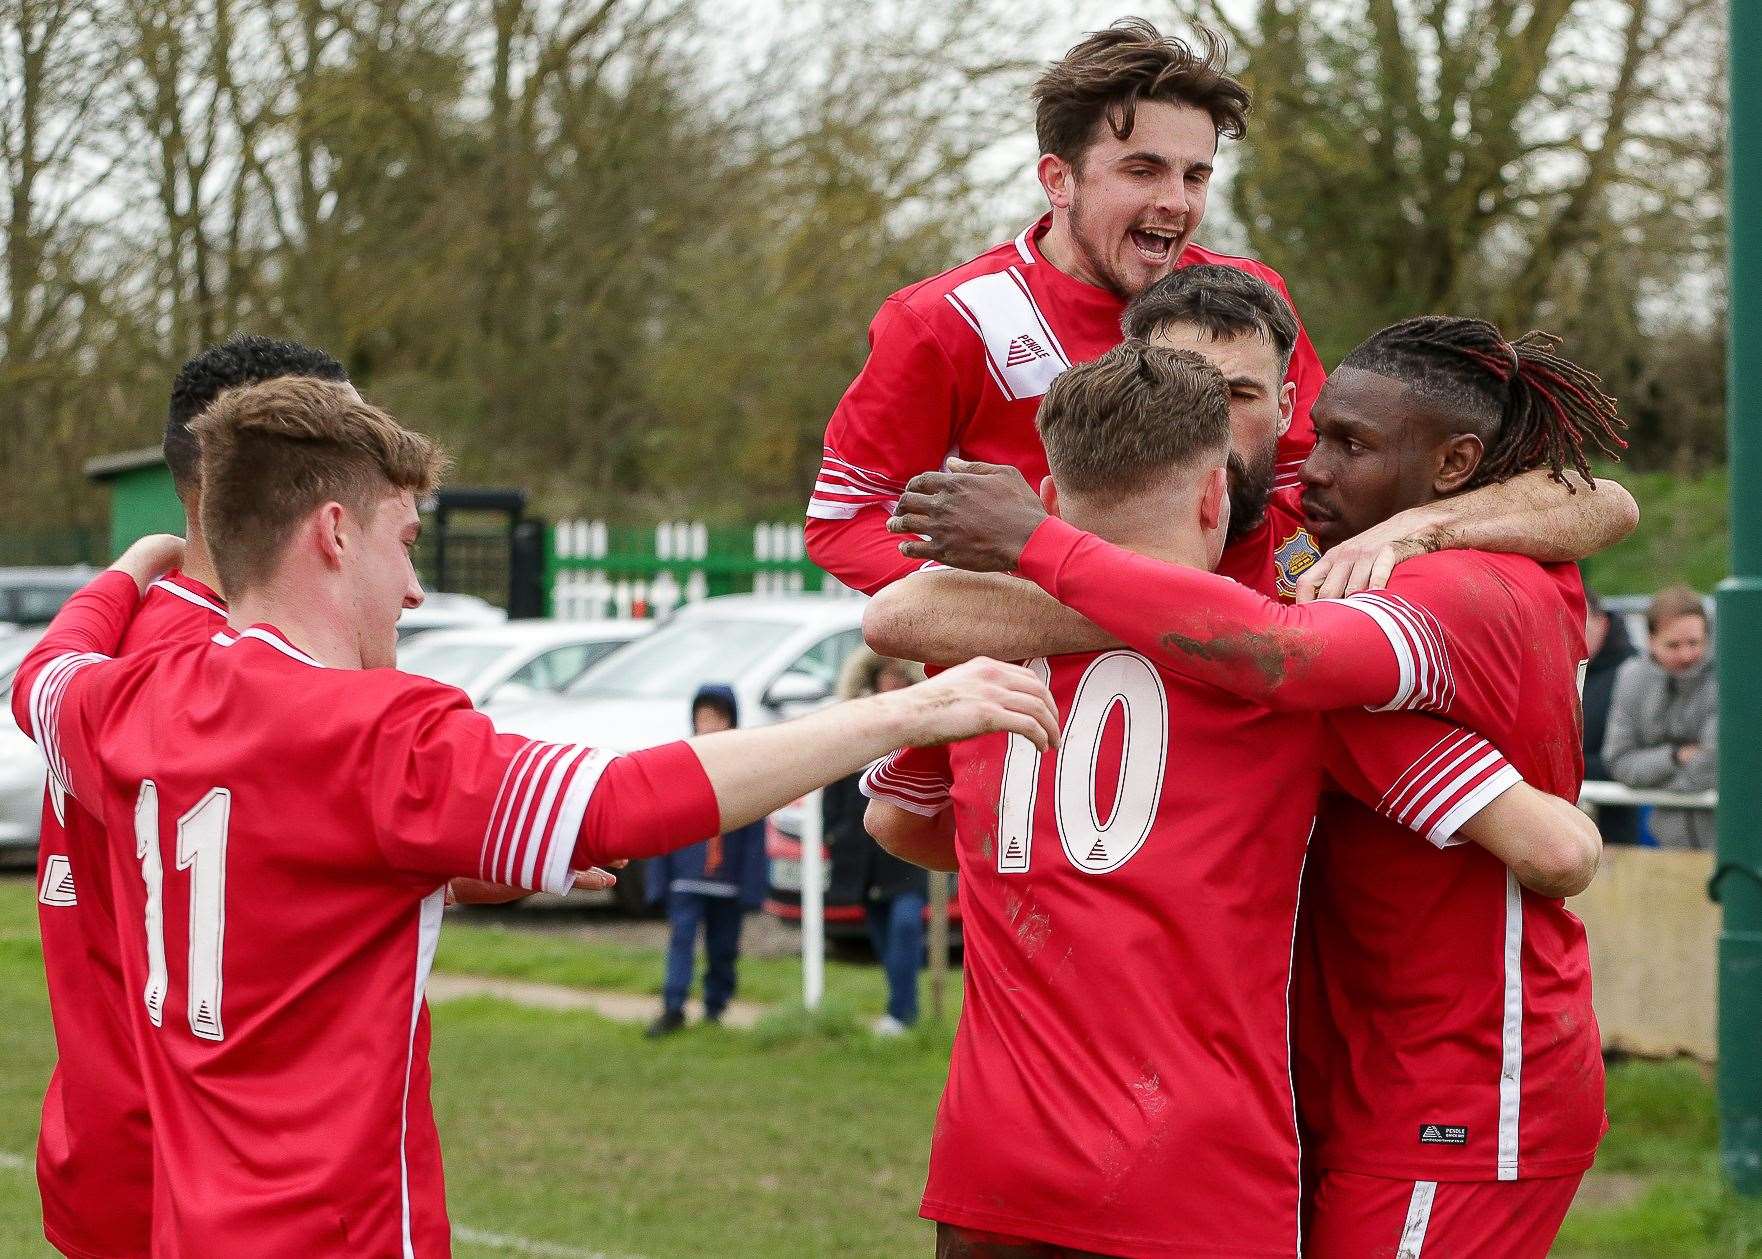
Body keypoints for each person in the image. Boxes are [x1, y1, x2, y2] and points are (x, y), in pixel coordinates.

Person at [10, 376, 1060, 1257]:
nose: (414, 587)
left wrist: (129, 569)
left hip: (189, 1227)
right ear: (334, 533)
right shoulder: (371, 731)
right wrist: (911, 707)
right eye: (405, 540)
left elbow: (43, 678)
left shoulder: (137, 697)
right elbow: (624, 800)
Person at [888, 316, 1628, 1258]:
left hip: (1443, 1087)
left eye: (1246, 398)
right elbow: (1560, 842)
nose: (1304, 464)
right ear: (1211, 486)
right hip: (1225, 1139)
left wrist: (1051, 554)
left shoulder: (1395, 600)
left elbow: (900, 799)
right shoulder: (1287, 638)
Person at [862, 265, 1639, 668]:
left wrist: (1418, 528)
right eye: (1178, 385)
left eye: (1235, 393)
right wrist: (1214, 617)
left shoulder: (1329, 516)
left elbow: (1602, 503)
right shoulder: (1074, 532)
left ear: (1286, 401)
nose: (1207, 421)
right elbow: (898, 617)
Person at [805, 17, 1329, 603]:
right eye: (1143, 170)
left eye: (1195, 176)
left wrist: (1292, 584)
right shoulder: (949, 318)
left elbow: (1309, 486)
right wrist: (1016, 595)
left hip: (1234, 656)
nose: (1175, 202)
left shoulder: (1248, 295)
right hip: (1039, 679)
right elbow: (847, 520)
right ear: (1060, 179)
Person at [29, 334, 350, 1259]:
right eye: (352, 456)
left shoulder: (125, 638)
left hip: (109, 1149)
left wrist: (133, 563)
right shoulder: (211, 677)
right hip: (198, 1180)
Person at [645, 684, 769, 1036]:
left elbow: (753, 833)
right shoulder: (678, 768)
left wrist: (752, 887)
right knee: (681, 938)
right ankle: (673, 1006)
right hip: (685, 876)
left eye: (718, 718)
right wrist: (659, 880)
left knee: (723, 947)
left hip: (728, 881)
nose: (710, 725)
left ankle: (716, 1007)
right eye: (704, 718)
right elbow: (664, 824)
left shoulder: (746, 771)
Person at [824, 648, 929, 1036]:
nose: (894, 681)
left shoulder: (923, 726)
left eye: (901, 675)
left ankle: (901, 1013)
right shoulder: (856, 726)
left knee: (904, 925)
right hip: (863, 853)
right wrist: (832, 834)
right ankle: (904, 1006)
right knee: (882, 932)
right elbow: (834, 784)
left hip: (907, 855)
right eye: (887, 674)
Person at [1604, 584, 1718, 850]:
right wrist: (1677, 756)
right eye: (1673, 645)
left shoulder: (1726, 677)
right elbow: (1620, 762)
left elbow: (1718, 765)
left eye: (1694, 643)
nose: (1686, 655)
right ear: (1651, 641)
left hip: (1729, 841)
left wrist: (1654, 776)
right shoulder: (1631, 678)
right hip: (1665, 842)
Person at [1582, 587, 1641, 844]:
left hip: (1622, 826)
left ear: (1602, 621)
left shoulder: (1633, 675)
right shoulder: (1554, 671)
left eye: (1578, 621)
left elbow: (1624, 759)